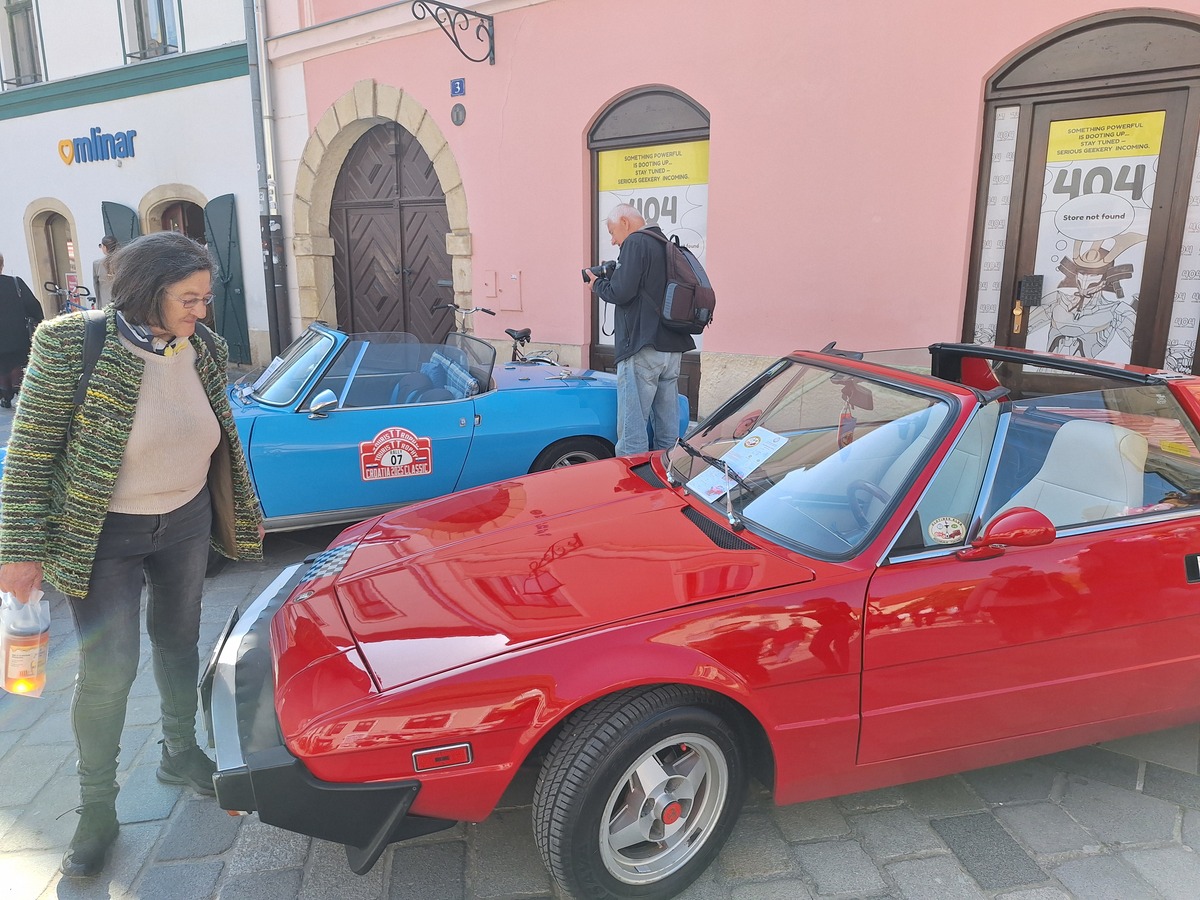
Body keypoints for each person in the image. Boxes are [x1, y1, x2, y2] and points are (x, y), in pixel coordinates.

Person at [0, 231, 264, 878]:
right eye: (189, 298)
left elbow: (218, 434)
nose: (201, 310)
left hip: (184, 522)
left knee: (179, 641)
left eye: (205, 297)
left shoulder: (203, 346)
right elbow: (29, 456)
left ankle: (180, 750)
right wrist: (19, 552)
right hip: (103, 535)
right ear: (148, 290)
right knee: (108, 669)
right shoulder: (72, 344)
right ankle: (97, 808)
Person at [585, 203, 694, 454]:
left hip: (643, 348)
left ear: (625, 222)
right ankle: (667, 470)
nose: (613, 241)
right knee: (667, 429)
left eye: (612, 232)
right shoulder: (664, 244)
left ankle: (632, 477)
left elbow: (621, 292)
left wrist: (597, 285)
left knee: (632, 431)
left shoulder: (635, 242)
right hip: (671, 349)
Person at [0, 252, 44, 408]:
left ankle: (5, 394)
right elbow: (33, 306)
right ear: (2, 265)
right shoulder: (15, 282)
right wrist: (39, 320)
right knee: (18, 363)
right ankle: (18, 389)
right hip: (17, 335)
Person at [92, 234, 118, 308]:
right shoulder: (123, 262)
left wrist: (98, 305)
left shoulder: (97, 264)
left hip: (105, 305)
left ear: (105, 247)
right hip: (122, 304)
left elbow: (96, 286)